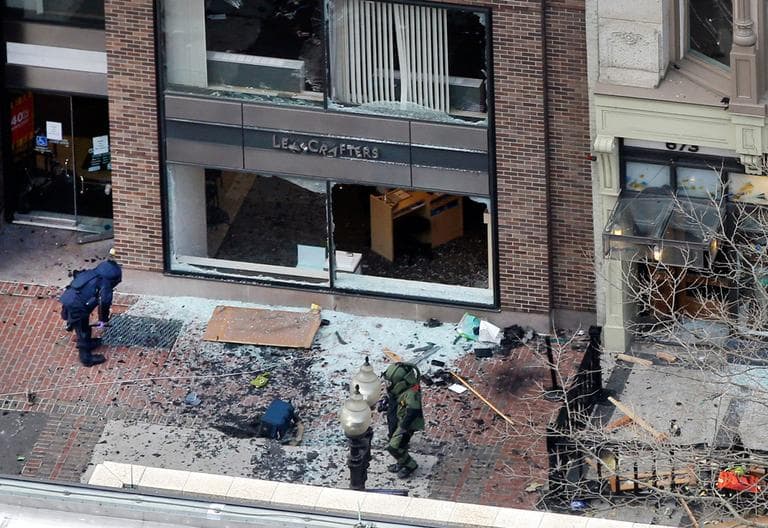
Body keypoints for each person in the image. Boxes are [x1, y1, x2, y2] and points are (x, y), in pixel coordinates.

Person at [60, 255, 122, 367]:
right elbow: (104, 303)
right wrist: (103, 320)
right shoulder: (105, 284)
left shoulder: (91, 273)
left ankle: (87, 342)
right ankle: (86, 358)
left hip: (70, 298)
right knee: (83, 329)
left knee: (82, 325)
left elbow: (77, 276)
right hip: (77, 306)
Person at [381, 362, 424, 479]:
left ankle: (410, 465)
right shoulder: (398, 389)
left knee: (394, 447)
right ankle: (401, 462)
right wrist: (385, 402)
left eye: (391, 382)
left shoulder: (411, 393)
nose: (388, 385)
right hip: (395, 420)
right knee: (399, 444)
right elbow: (394, 399)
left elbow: (413, 411)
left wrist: (403, 428)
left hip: (405, 425)